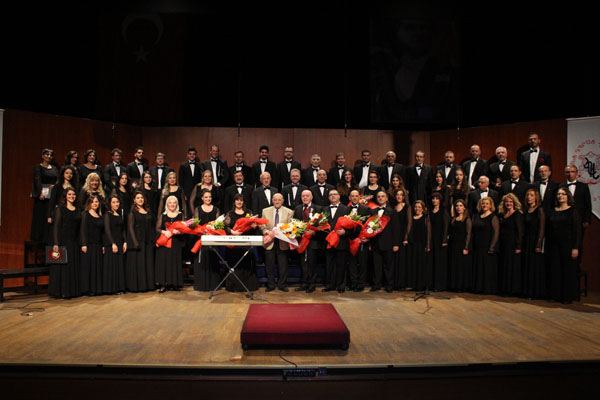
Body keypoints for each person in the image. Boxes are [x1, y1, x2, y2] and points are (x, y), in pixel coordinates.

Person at [546, 188, 582, 304]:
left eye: (563, 194)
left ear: (568, 196)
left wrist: (575, 247)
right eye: (558, 194)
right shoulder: (552, 210)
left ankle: (567, 296)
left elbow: (577, 231)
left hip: (568, 244)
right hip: (553, 244)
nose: (560, 196)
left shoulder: (573, 211)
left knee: (567, 270)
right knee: (555, 269)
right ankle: (555, 294)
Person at [49, 187, 81, 299]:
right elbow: (56, 227)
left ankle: (72, 291)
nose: (72, 196)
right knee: (62, 268)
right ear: (65, 196)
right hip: (63, 241)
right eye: (69, 194)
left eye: (73, 194)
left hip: (74, 241)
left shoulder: (78, 209)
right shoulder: (60, 209)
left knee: (72, 267)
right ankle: (61, 291)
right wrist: (56, 243)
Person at [224, 194, 259, 292]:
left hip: (246, 242)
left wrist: (254, 226)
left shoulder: (248, 212)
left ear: (243, 202)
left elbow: (253, 226)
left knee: (246, 263)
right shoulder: (230, 213)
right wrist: (232, 232)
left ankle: (248, 286)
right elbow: (225, 226)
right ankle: (234, 286)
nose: (239, 202)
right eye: (237, 200)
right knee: (235, 263)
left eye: (241, 200)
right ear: (234, 201)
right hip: (234, 244)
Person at [260, 193, 293, 292]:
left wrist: (282, 232)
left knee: (283, 265)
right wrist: (267, 232)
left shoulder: (289, 212)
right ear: (272, 201)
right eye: (275, 200)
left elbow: (291, 226)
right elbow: (262, 226)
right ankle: (270, 285)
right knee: (269, 265)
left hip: (283, 242)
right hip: (269, 241)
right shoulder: (265, 211)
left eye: (279, 200)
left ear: (283, 201)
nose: (277, 202)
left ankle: (282, 285)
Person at [322, 190, 352, 293]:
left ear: (339, 196)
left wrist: (345, 232)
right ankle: (329, 285)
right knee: (329, 264)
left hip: (341, 241)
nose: (333, 196)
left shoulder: (346, 209)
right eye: (331, 195)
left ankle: (341, 285)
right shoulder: (324, 209)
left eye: (335, 194)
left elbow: (352, 226)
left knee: (341, 264)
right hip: (329, 241)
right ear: (328, 197)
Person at [370, 191, 399, 293]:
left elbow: (396, 229)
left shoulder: (392, 212)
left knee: (388, 266)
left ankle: (389, 285)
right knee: (376, 265)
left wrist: (396, 244)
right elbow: (370, 228)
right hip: (375, 243)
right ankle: (376, 284)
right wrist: (370, 243)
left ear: (386, 198)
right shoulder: (373, 212)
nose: (381, 198)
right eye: (379, 197)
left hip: (388, 242)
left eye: (383, 196)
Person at [155, 195, 185, 293]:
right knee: (164, 262)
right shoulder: (163, 215)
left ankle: (175, 283)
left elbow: (185, 229)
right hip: (165, 241)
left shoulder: (181, 215)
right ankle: (163, 284)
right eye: (170, 203)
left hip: (176, 242)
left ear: (177, 204)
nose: (172, 204)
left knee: (174, 262)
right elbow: (157, 228)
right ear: (167, 204)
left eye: (174, 202)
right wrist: (164, 232)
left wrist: (178, 232)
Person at [126, 191, 155, 292]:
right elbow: (130, 227)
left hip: (148, 241)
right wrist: (135, 242)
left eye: (142, 197)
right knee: (139, 264)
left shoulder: (147, 211)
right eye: (138, 198)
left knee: (147, 263)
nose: (140, 199)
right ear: (134, 200)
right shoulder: (132, 212)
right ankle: (139, 286)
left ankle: (148, 285)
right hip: (138, 241)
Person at [193, 189, 221, 291]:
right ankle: (202, 285)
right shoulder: (198, 209)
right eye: (206, 197)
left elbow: (218, 225)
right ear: (202, 198)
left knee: (213, 260)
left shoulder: (216, 209)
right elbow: (195, 224)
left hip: (213, 239)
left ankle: (213, 285)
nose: (208, 199)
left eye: (209, 197)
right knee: (202, 261)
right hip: (201, 238)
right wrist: (203, 232)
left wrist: (212, 232)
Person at [472, 197, 500, 294]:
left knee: (487, 267)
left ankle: (487, 288)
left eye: (487, 203)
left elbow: (496, 233)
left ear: (490, 205)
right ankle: (478, 287)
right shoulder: (477, 215)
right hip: (478, 245)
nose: (484, 205)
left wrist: (492, 246)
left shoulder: (493, 217)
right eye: (483, 203)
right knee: (479, 266)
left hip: (487, 245)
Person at [347, 189, 373, 292]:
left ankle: (361, 284)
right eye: (352, 196)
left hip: (362, 241)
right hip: (350, 241)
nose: (354, 198)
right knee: (352, 263)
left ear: (359, 197)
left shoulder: (366, 209)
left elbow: (370, 225)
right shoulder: (346, 209)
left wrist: (367, 238)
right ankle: (353, 283)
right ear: (349, 198)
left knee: (362, 264)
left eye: (356, 196)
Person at [498, 193, 524, 296]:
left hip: (512, 243)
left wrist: (518, 246)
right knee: (504, 266)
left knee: (511, 266)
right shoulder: (502, 215)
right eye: (506, 202)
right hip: (504, 243)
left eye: (510, 202)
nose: (508, 203)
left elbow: (520, 231)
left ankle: (512, 289)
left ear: (514, 203)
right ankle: (504, 288)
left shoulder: (517, 214)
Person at [522, 189, 546, 299]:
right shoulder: (526, 210)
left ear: (536, 197)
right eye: (528, 195)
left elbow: (541, 228)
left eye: (531, 195)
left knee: (534, 266)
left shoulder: (539, 210)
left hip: (535, 240)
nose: (529, 197)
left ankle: (535, 292)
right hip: (527, 240)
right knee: (527, 266)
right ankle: (527, 291)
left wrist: (539, 244)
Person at [31, 148, 58, 243]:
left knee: (49, 215)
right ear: (43, 156)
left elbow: (57, 179)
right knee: (40, 216)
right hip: (41, 196)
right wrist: (40, 192)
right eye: (47, 154)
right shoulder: (38, 167)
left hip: (51, 196)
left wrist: (54, 186)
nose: (49, 156)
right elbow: (37, 180)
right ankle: (38, 238)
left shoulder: (54, 168)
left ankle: (47, 238)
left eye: (51, 155)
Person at [80, 194, 104, 296]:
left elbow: (102, 233)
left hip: (98, 245)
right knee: (88, 267)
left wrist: (103, 245)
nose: (95, 203)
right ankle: (88, 289)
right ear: (89, 203)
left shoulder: (100, 216)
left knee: (96, 268)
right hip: (88, 245)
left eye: (97, 202)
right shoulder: (85, 215)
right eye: (93, 202)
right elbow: (83, 230)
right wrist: (84, 244)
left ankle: (96, 288)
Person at [103, 194, 127, 295]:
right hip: (111, 243)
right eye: (113, 202)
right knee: (112, 266)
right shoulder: (107, 215)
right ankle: (111, 288)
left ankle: (119, 287)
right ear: (109, 204)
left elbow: (123, 229)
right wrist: (112, 243)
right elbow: (107, 230)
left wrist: (125, 241)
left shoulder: (119, 214)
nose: (116, 204)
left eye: (117, 202)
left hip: (120, 242)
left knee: (119, 266)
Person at [406, 200, 432, 291]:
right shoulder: (412, 218)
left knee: (421, 265)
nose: (417, 208)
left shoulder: (425, 218)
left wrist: (428, 245)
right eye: (416, 207)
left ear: (423, 209)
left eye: (419, 207)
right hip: (413, 244)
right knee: (414, 264)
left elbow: (428, 232)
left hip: (422, 244)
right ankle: (414, 285)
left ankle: (421, 285)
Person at [448, 199, 472, 292]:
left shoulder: (467, 219)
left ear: (464, 207)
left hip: (461, 245)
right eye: (457, 206)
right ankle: (453, 285)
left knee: (461, 266)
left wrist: (466, 247)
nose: (458, 208)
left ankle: (461, 286)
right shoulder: (453, 219)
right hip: (453, 245)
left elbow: (468, 234)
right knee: (454, 265)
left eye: (461, 206)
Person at [430, 192, 449, 291]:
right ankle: (432, 284)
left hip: (440, 239)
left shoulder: (443, 211)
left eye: (437, 199)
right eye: (433, 199)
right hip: (432, 239)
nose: (434, 200)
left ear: (440, 200)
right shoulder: (430, 211)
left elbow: (446, 226)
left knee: (439, 262)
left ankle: (439, 285)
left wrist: (444, 239)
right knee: (432, 261)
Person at [393, 188, 412, 290]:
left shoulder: (407, 207)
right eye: (397, 195)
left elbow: (409, 223)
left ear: (404, 197)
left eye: (401, 195)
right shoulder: (393, 207)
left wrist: (406, 237)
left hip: (403, 236)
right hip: (394, 236)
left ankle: (402, 284)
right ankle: (395, 283)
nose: (399, 196)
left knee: (402, 261)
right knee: (395, 260)